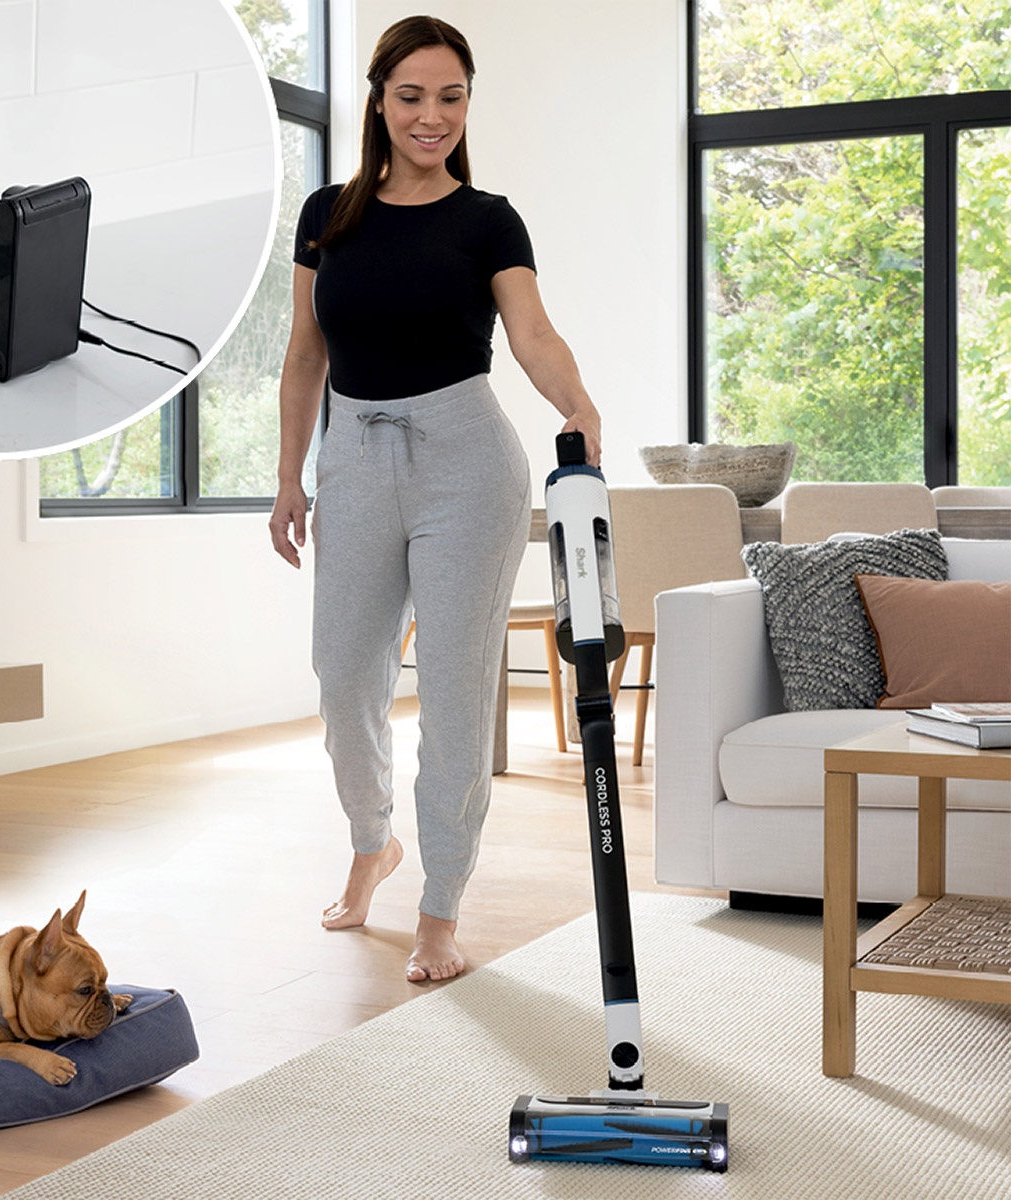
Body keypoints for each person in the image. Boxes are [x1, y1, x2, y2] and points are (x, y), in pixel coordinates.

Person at [269, 15, 600, 983]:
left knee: (454, 695)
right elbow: (304, 354)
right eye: (411, 96)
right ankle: (373, 842)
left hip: (467, 465)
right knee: (343, 677)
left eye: (450, 98)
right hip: (353, 460)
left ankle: (440, 908)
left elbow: (531, 332)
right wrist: (288, 475)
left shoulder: (488, 220)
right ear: (378, 100)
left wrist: (577, 403)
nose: (432, 116)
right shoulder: (326, 214)